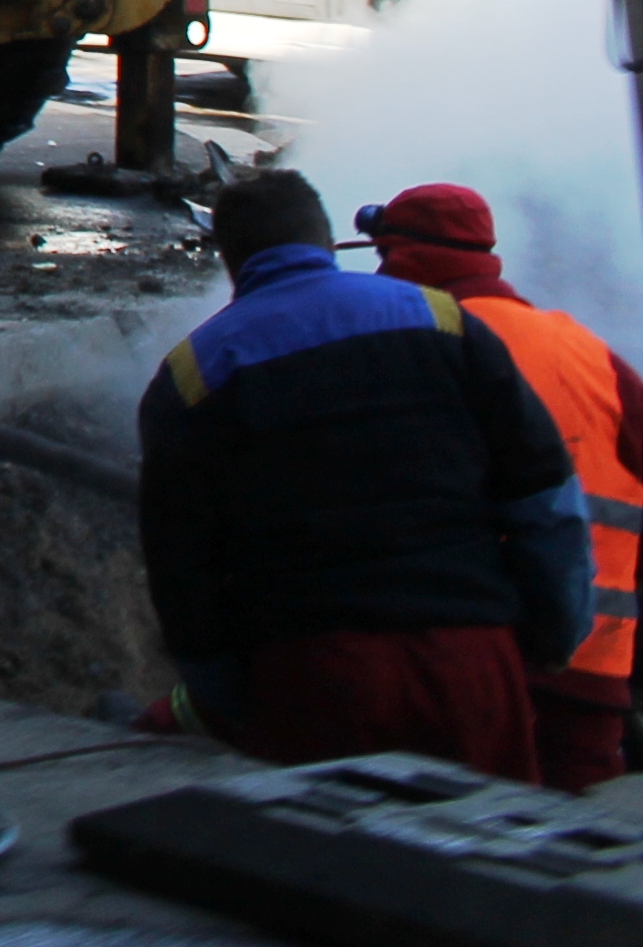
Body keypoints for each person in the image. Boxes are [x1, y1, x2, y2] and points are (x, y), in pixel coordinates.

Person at [138, 170, 592, 780]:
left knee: (337, 872)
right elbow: (545, 496)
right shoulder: (444, 323)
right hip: (470, 656)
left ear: (230, 258)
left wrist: (227, 695)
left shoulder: (191, 375)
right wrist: (552, 635)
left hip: (310, 673)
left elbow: (180, 568)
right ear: (326, 244)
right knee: (494, 864)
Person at [364, 182, 643, 791]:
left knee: (454, 830)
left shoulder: (418, 347)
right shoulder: (586, 349)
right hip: (594, 666)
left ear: (400, 258)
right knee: (587, 849)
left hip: (471, 651)